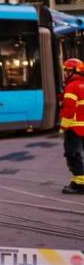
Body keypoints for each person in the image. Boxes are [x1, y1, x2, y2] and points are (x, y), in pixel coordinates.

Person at [60, 58, 84, 195]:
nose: (65, 73)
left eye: (67, 70)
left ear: (74, 71)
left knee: (73, 156)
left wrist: (63, 127)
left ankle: (79, 184)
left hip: (74, 128)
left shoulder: (72, 86)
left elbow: (69, 110)